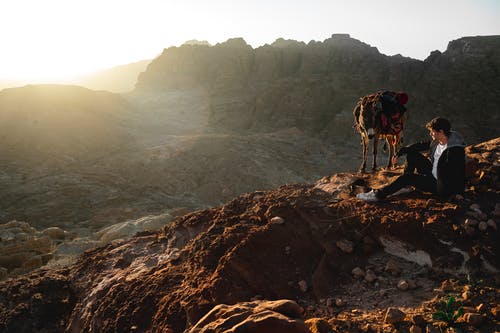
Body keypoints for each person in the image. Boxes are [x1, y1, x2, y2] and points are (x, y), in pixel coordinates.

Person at [356, 117, 466, 202]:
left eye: (432, 131)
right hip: (432, 173)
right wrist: (399, 153)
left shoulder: (455, 150)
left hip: (439, 185)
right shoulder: (438, 141)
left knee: (408, 177)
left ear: (441, 132)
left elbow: (459, 171)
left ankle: (378, 195)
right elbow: (420, 145)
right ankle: (405, 187)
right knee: (412, 154)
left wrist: (457, 193)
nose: (430, 134)